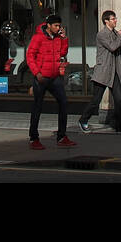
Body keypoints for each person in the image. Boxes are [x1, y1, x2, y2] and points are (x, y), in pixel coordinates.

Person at [26, 14, 76, 150]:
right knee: (38, 106)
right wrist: (37, 73)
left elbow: (63, 52)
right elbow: (30, 55)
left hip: (54, 77)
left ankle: (61, 136)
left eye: (59, 26)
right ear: (48, 25)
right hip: (42, 77)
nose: (58, 28)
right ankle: (33, 138)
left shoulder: (58, 38)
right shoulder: (38, 37)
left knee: (63, 103)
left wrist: (64, 38)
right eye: (56, 26)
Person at [79, 9, 121, 133]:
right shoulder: (102, 34)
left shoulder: (116, 34)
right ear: (106, 21)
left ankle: (119, 124)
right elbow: (112, 46)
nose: (115, 21)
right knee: (96, 100)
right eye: (113, 19)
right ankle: (83, 120)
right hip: (103, 71)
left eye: (115, 18)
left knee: (119, 99)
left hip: (114, 71)